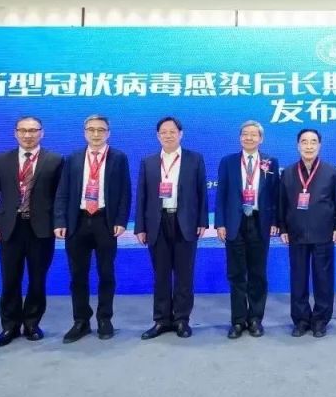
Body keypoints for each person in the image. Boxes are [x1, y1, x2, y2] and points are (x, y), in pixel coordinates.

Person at [0, 116, 63, 347]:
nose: (28, 135)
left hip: (42, 229)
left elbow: (60, 197)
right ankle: (9, 326)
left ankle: (32, 323)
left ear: (42, 133)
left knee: (38, 279)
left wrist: (59, 223)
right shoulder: (0, 160)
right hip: (9, 228)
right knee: (10, 279)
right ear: (15, 133)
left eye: (33, 130)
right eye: (23, 130)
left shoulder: (55, 160)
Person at [54, 115, 131, 343]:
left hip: (105, 222)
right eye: (91, 129)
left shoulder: (119, 157)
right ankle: (81, 321)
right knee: (78, 275)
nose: (96, 134)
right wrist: (60, 221)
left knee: (106, 273)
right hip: (77, 222)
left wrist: (121, 220)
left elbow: (125, 192)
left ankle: (105, 319)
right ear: (84, 132)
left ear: (108, 133)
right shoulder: (73, 158)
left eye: (101, 130)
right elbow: (63, 192)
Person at [134, 116, 208, 340]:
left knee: (185, 274)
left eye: (172, 131)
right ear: (158, 136)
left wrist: (202, 221)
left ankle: (182, 319)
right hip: (157, 223)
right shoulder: (148, 162)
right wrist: (140, 227)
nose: (168, 135)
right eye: (163, 132)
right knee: (161, 274)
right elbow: (142, 196)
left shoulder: (194, 159)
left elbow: (202, 193)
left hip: (185, 223)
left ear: (180, 134)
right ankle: (161, 320)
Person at [214, 120, 280, 339]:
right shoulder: (228, 162)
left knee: (258, 274)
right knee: (236, 274)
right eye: (245, 134)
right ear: (240, 137)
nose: (249, 138)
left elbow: (275, 195)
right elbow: (221, 194)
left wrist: (275, 222)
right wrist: (220, 223)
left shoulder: (270, 162)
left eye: (254, 134)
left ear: (261, 139)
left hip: (260, 223)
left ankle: (255, 319)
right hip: (235, 223)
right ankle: (238, 320)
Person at [279, 128, 336, 338]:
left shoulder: (330, 171)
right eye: (304, 142)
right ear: (298, 145)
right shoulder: (288, 172)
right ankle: (300, 320)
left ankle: (320, 320)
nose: (309, 146)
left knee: (323, 279)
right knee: (298, 278)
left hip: (323, 232)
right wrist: (283, 228)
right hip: (296, 233)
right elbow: (282, 203)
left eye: (313, 142)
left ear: (319, 145)